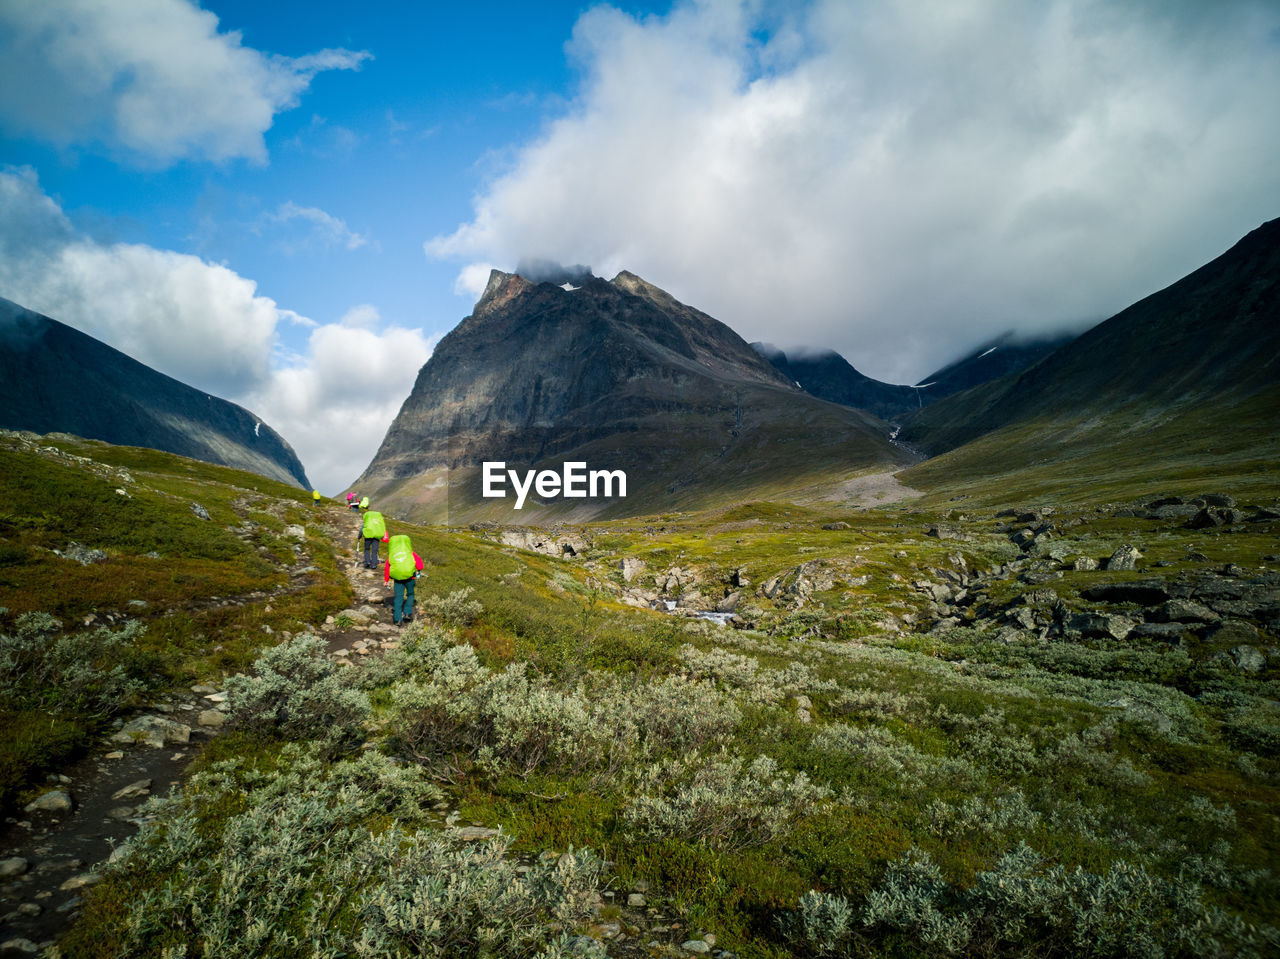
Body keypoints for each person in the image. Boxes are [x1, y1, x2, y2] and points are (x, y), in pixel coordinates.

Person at [384, 533, 424, 625]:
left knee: (398, 598)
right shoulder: (411, 553)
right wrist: (417, 570)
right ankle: (407, 613)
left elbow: (387, 568)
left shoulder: (392, 554)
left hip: (397, 579)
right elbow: (420, 566)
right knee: (410, 594)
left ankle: (397, 619)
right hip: (410, 578)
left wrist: (386, 580)